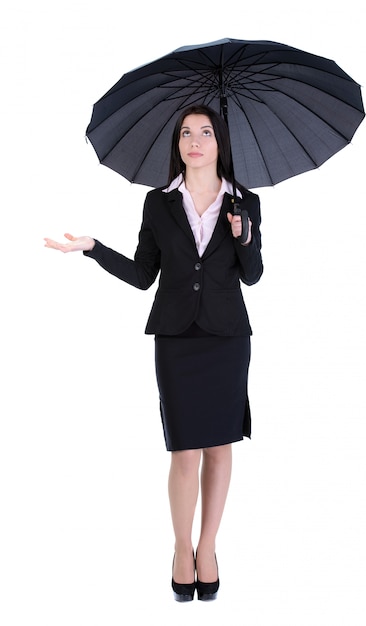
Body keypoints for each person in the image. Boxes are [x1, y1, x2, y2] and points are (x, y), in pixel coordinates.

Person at [44, 104, 263, 602]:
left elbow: (252, 274)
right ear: (177, 143)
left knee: (220, 446)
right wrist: (93, 247)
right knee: (184, 450)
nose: (195, 140)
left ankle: (208, 547)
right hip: (177, 339)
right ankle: (181, 547)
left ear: (220, 142)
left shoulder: (244, 202)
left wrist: (242, 234)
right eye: (186, 132)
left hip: (227, 338)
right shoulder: (157, 203)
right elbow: (145, 276)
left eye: (206, 132)